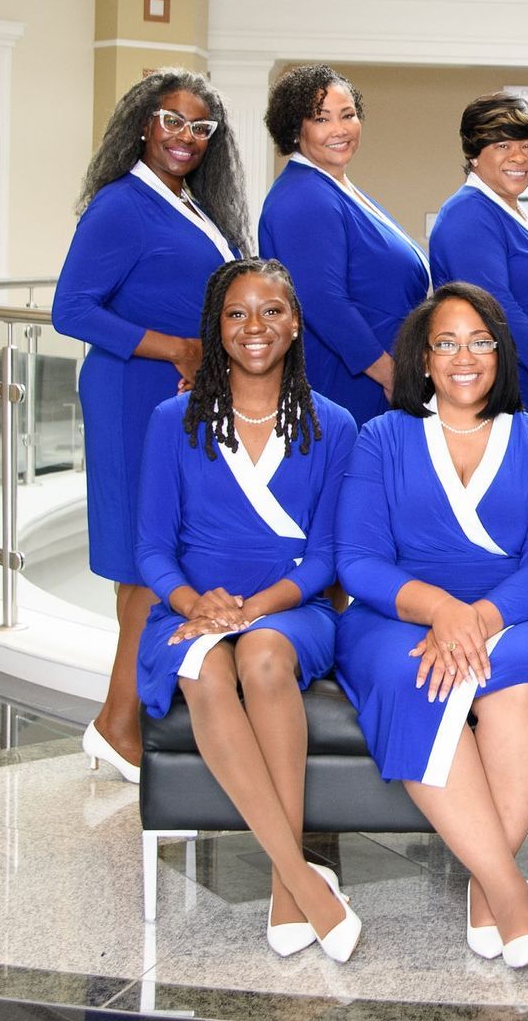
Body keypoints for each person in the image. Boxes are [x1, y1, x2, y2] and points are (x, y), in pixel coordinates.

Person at [332, 284, 528, 969]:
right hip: (400, 615)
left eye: (479, 342)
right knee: (416, 674)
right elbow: (358, 561)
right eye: (446, 343)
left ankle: (483, 884)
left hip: (516, 613)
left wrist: (479, 616)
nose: (464, 357)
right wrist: (441, 610)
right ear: (423, 358)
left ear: (501, 354)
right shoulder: (382, 437)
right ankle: (508, 892)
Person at [134, 259, 361, 961]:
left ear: (294, 325)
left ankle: (286, 885)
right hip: (190, 609)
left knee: (262, 656)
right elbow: (151, 550)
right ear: (217, 327)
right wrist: (193, 603)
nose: (254, 326)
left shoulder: (334, 424)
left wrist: (253, 610)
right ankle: (298, 879)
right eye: (236, 313)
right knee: (205, 670)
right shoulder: (173, 420)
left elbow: (327, 559)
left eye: (271, 311)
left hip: (292, 609)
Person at [53, 68, 246, 783]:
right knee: (142, 566)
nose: (185, 137)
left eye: (201, 128)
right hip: (132, 395)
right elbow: (71, 309)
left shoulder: (189, 203)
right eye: (172, 121)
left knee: (157, 560)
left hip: (176, 402)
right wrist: (176, 349)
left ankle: (130, 715)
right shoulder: (120, 204)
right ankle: (117, 724)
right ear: (143, 124)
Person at [258, 64, 429, 425]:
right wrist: (390, 375)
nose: (339, 129)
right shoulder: (304, 197)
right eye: (321, 119)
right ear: (295, 128)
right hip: (352, 382)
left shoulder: (336, 187)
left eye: (348, 115)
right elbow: (322, 302)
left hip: (378, 377)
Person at [428, 93, 528, 450]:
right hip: (517, 393)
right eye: (503, 145)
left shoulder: (515, 213)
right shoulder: (469, 214)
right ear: (474, 153)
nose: (519, 156)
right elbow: (498, 311)